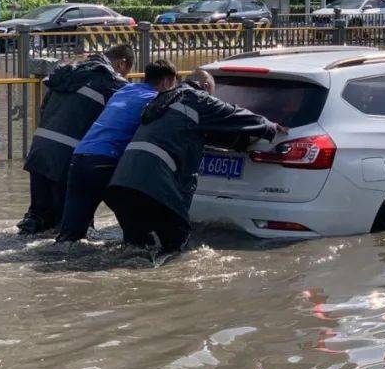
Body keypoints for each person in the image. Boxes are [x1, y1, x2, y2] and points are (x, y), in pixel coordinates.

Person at [104, 70, 284, 255]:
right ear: (206, 87)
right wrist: (269, 126)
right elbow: (233, 114)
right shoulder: (198, 99)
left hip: (120, 186)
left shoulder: (162, 100)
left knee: (136, 248)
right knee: (176, 243)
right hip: (152, 186)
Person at [54, 59, 180, 244]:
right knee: (138, 234)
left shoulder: (125, 90)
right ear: (166, 82)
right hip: (106, 162)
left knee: (70, 235)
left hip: (80, 157)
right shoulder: (155, 99)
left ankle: (54, 261)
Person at [17, 44, 134, 235]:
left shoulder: (68, 70)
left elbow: (44, 108)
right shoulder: (109, 80)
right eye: (127, 72)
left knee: (39, 217)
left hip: (40, 149)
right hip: (68, 157)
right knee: (73, 225)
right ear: (122, 63)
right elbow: (124, 115)